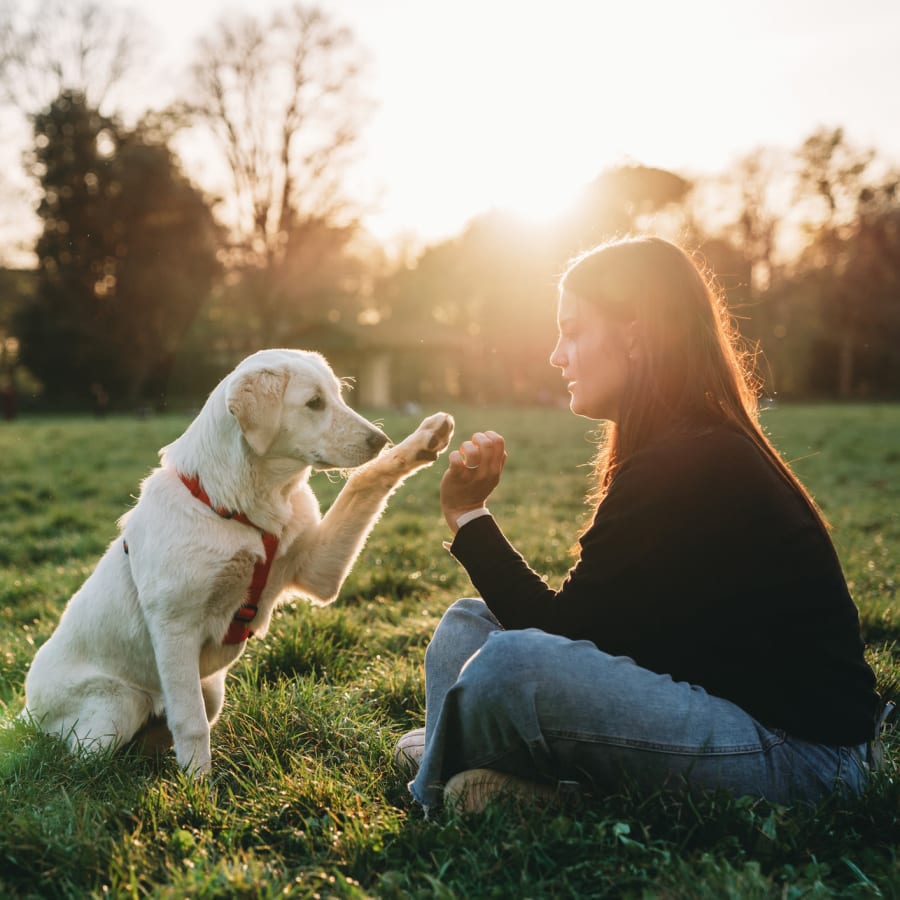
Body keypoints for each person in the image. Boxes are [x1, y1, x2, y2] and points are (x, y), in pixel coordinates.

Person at [395, 235, 887, 814]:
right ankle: (492, 773)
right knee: (467, 625)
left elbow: (561, 634)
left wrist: (468, 517)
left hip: (806, 760)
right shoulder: (674, 445)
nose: (557, 355)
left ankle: (454, 778)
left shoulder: (694, 458)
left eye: (573, 331)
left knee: (511, 663)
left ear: (633, 333)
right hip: (716, 702)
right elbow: (602, 635)